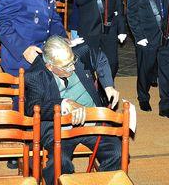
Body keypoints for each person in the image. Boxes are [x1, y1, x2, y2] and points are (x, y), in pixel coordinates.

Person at [25, 35, 120, 185]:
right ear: (50, 66)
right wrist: (63, 104)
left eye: (72, 61)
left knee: (116, 151)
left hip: (91, 121)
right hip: (59, 129)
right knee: (59, 162)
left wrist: (108, 85)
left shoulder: (79, 53)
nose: (73, 67)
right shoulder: (35, 75)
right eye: (67, 66)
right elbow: (32, 108)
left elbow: (100, 57)